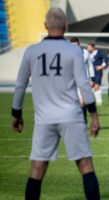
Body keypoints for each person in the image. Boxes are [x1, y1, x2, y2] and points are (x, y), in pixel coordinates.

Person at [11, 8, 101, 200]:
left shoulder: (32, 51)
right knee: (85, 166)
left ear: (45, 26)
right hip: (71, 116)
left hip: (44, 118)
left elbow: (20, 84)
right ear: (66, 26)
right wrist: (93, 115)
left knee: (36, 169)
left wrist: (16, 113)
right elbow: (83, 84)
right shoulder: (74, 51)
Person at [70, 37, 95, 123]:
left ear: (79, 44)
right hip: (72, 80)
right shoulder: (68, 53)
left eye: (76, 45)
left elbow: (90, 66)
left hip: (83, 80)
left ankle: (83, 119)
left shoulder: (85, 53)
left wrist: (92, 79)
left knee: (82, 101)